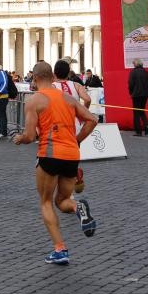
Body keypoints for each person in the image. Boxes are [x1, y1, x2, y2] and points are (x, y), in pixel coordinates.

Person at [13, 62, 98, 265]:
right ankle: (79, 208)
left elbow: (30, 135)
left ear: (34, 79)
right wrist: (76, 139)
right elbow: (92, 119)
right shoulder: (68, 99)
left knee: (46, 202)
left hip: (49, 154)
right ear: (53, 77)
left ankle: (60, 249)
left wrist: (20, 138)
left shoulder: (34, 101)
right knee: (63, 201)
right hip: (71, 155)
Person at [53, 59, 92, 194]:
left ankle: (68, 181)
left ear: (54, 73)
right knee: (74, 150)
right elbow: (87, 99)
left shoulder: (51, 87)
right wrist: (82, 113)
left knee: (57, 154)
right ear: (68, 73)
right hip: (75, 124)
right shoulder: (76, 85)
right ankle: (75, 171)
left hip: (58, 124)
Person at [128, 60, 148, 136]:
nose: (133, 65)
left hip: (136, 95)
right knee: (142, 111)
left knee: (136, 113)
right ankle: (146, 126)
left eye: (133, 63)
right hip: (144, 95)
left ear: (135, 64)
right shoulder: (146, 72)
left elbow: (130, 84)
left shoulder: (133, 72)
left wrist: (131, 92)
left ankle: (138, 131)